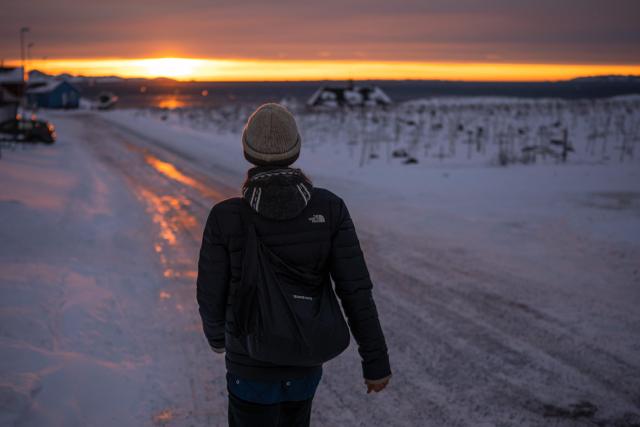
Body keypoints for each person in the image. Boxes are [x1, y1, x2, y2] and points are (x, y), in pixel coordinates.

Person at [197, 103, 391, 426]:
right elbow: (355, 291)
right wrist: (376, 362)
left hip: (249, 366)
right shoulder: (329, 208)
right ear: (295, 150)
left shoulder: (226, 217)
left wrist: (217, 338)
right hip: (305, 362)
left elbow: (209, 294)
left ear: (248, 151)